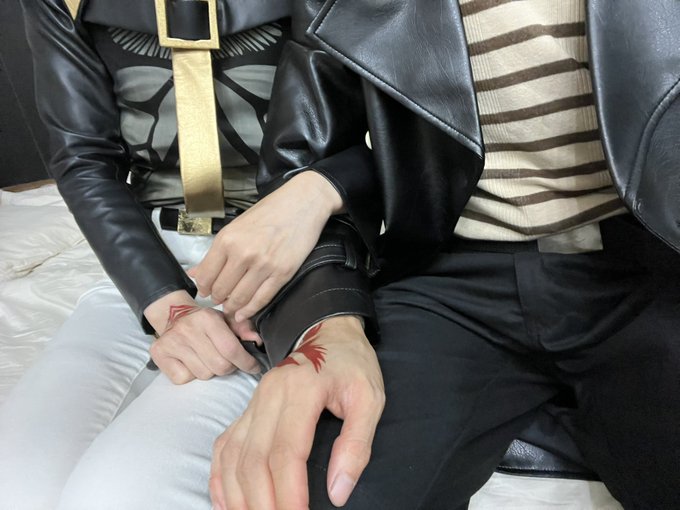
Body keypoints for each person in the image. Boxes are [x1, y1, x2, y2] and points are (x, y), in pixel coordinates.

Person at [208, 1, 680, 509]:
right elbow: (303, 160)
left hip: (652, 264)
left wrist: (326, 186)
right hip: (447, 277)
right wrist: (326, 322)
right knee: (324, 489)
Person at [0, 1, 378, 508]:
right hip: (147, 252)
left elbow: (406, 137)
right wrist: (164, 302)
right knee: (14, 480)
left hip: (296, 256)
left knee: (121, 495)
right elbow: (83, 157)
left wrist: (314, 202)